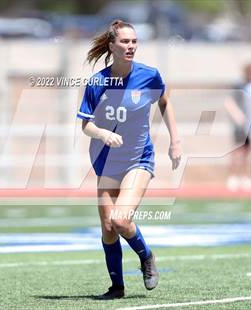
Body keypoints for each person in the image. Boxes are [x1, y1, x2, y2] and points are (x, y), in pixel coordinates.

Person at [77, 20, 181, 299]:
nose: (131, 46)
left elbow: (165, 101)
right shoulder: (97, 82)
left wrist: (175, 141)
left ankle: (147, 257)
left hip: (139, 158)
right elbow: (85, 125)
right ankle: (117, 288)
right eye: (125, 41)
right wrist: (102, 134)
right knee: (109, 229)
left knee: (121, 220)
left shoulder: (149, 75)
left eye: (134, 41)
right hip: (107, 161)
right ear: (112, 46)